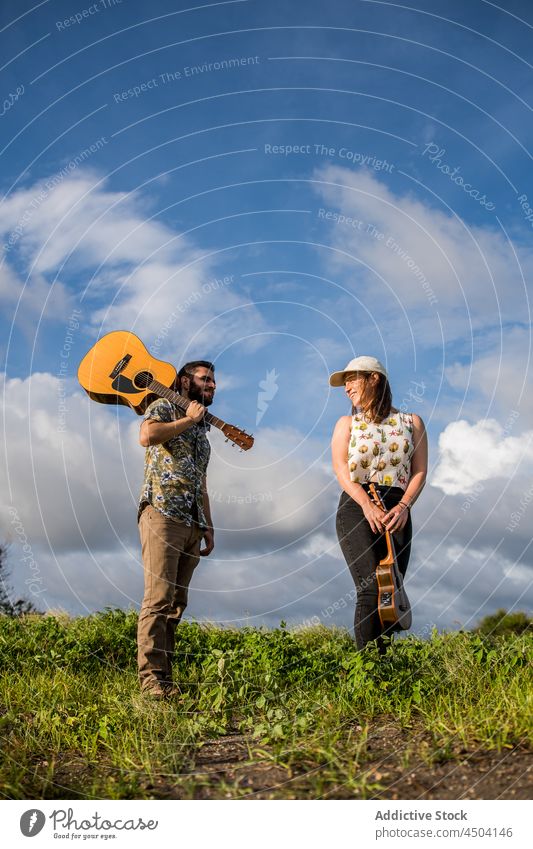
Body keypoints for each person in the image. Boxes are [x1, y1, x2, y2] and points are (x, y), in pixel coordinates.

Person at [330, 356, 427, 652]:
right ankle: (365, 670)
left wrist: (404, 506)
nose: (346, 388)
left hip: (398, 509)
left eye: (352, 379)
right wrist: (366, 505)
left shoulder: (412, 422)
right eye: (344, 382)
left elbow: (420, 471)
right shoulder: (348, 423)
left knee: (390, 591)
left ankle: (382, 671)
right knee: (370, 587)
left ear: (374, 378)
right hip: (357, 506)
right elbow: (341, 468)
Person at [136, 360, 216, 698]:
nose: (211, 385)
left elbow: (202, 482)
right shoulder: (165, 405)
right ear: (185, 381)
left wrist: (208, 525)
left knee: (177, 603)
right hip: (162, 512)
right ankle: (150, 679)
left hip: (192, 521)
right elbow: (147, 436)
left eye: (214, 381)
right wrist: (188, 419)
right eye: (205, 379)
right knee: (158, 597)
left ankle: (165, 679)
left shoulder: (203, 432)